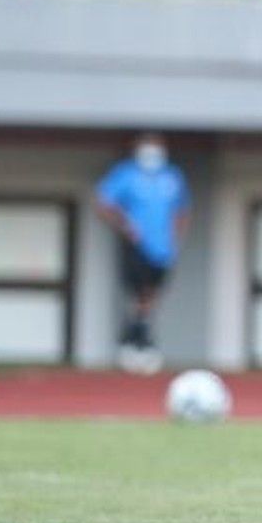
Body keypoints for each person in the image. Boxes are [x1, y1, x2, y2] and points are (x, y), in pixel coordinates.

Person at [95, 133, 190, 375]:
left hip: (163, 250)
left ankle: (136, 339)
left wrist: (175, 238)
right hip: (138, 246)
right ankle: (139, 342)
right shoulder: (126, 173)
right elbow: (104, 202)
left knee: (149, 297)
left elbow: (182, 211)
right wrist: (126, 226)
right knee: (140, 294)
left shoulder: (172, 176)